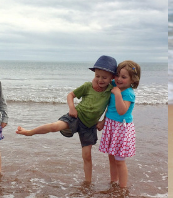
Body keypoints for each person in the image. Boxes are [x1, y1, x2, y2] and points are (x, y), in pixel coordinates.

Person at [16, 55, 117, 184]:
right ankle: (29, 132)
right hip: (76, 116)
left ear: (112, 78)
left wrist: (103, 121)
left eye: (104, 77)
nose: (100, 80)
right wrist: (72, 108)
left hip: (89, 126)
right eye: (97, 76)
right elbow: (71, 95)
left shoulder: (111, 91)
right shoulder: (87, 86)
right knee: (54, 126)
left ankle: (87, 183)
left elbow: (111, 107)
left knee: (87, 156)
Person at [97, 60, 141, 188]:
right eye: (117, 75)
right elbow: (110, 108)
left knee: (120, 160)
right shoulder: (114, 84)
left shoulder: (128, 93)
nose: (118, 79)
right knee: (111, 157)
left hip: (121, 128)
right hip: (111, 125)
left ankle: (122, 188)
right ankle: (113, 181)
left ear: (133, 80)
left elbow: (122, 111)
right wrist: (103, 122)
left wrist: (117, 94)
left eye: (124, 77)